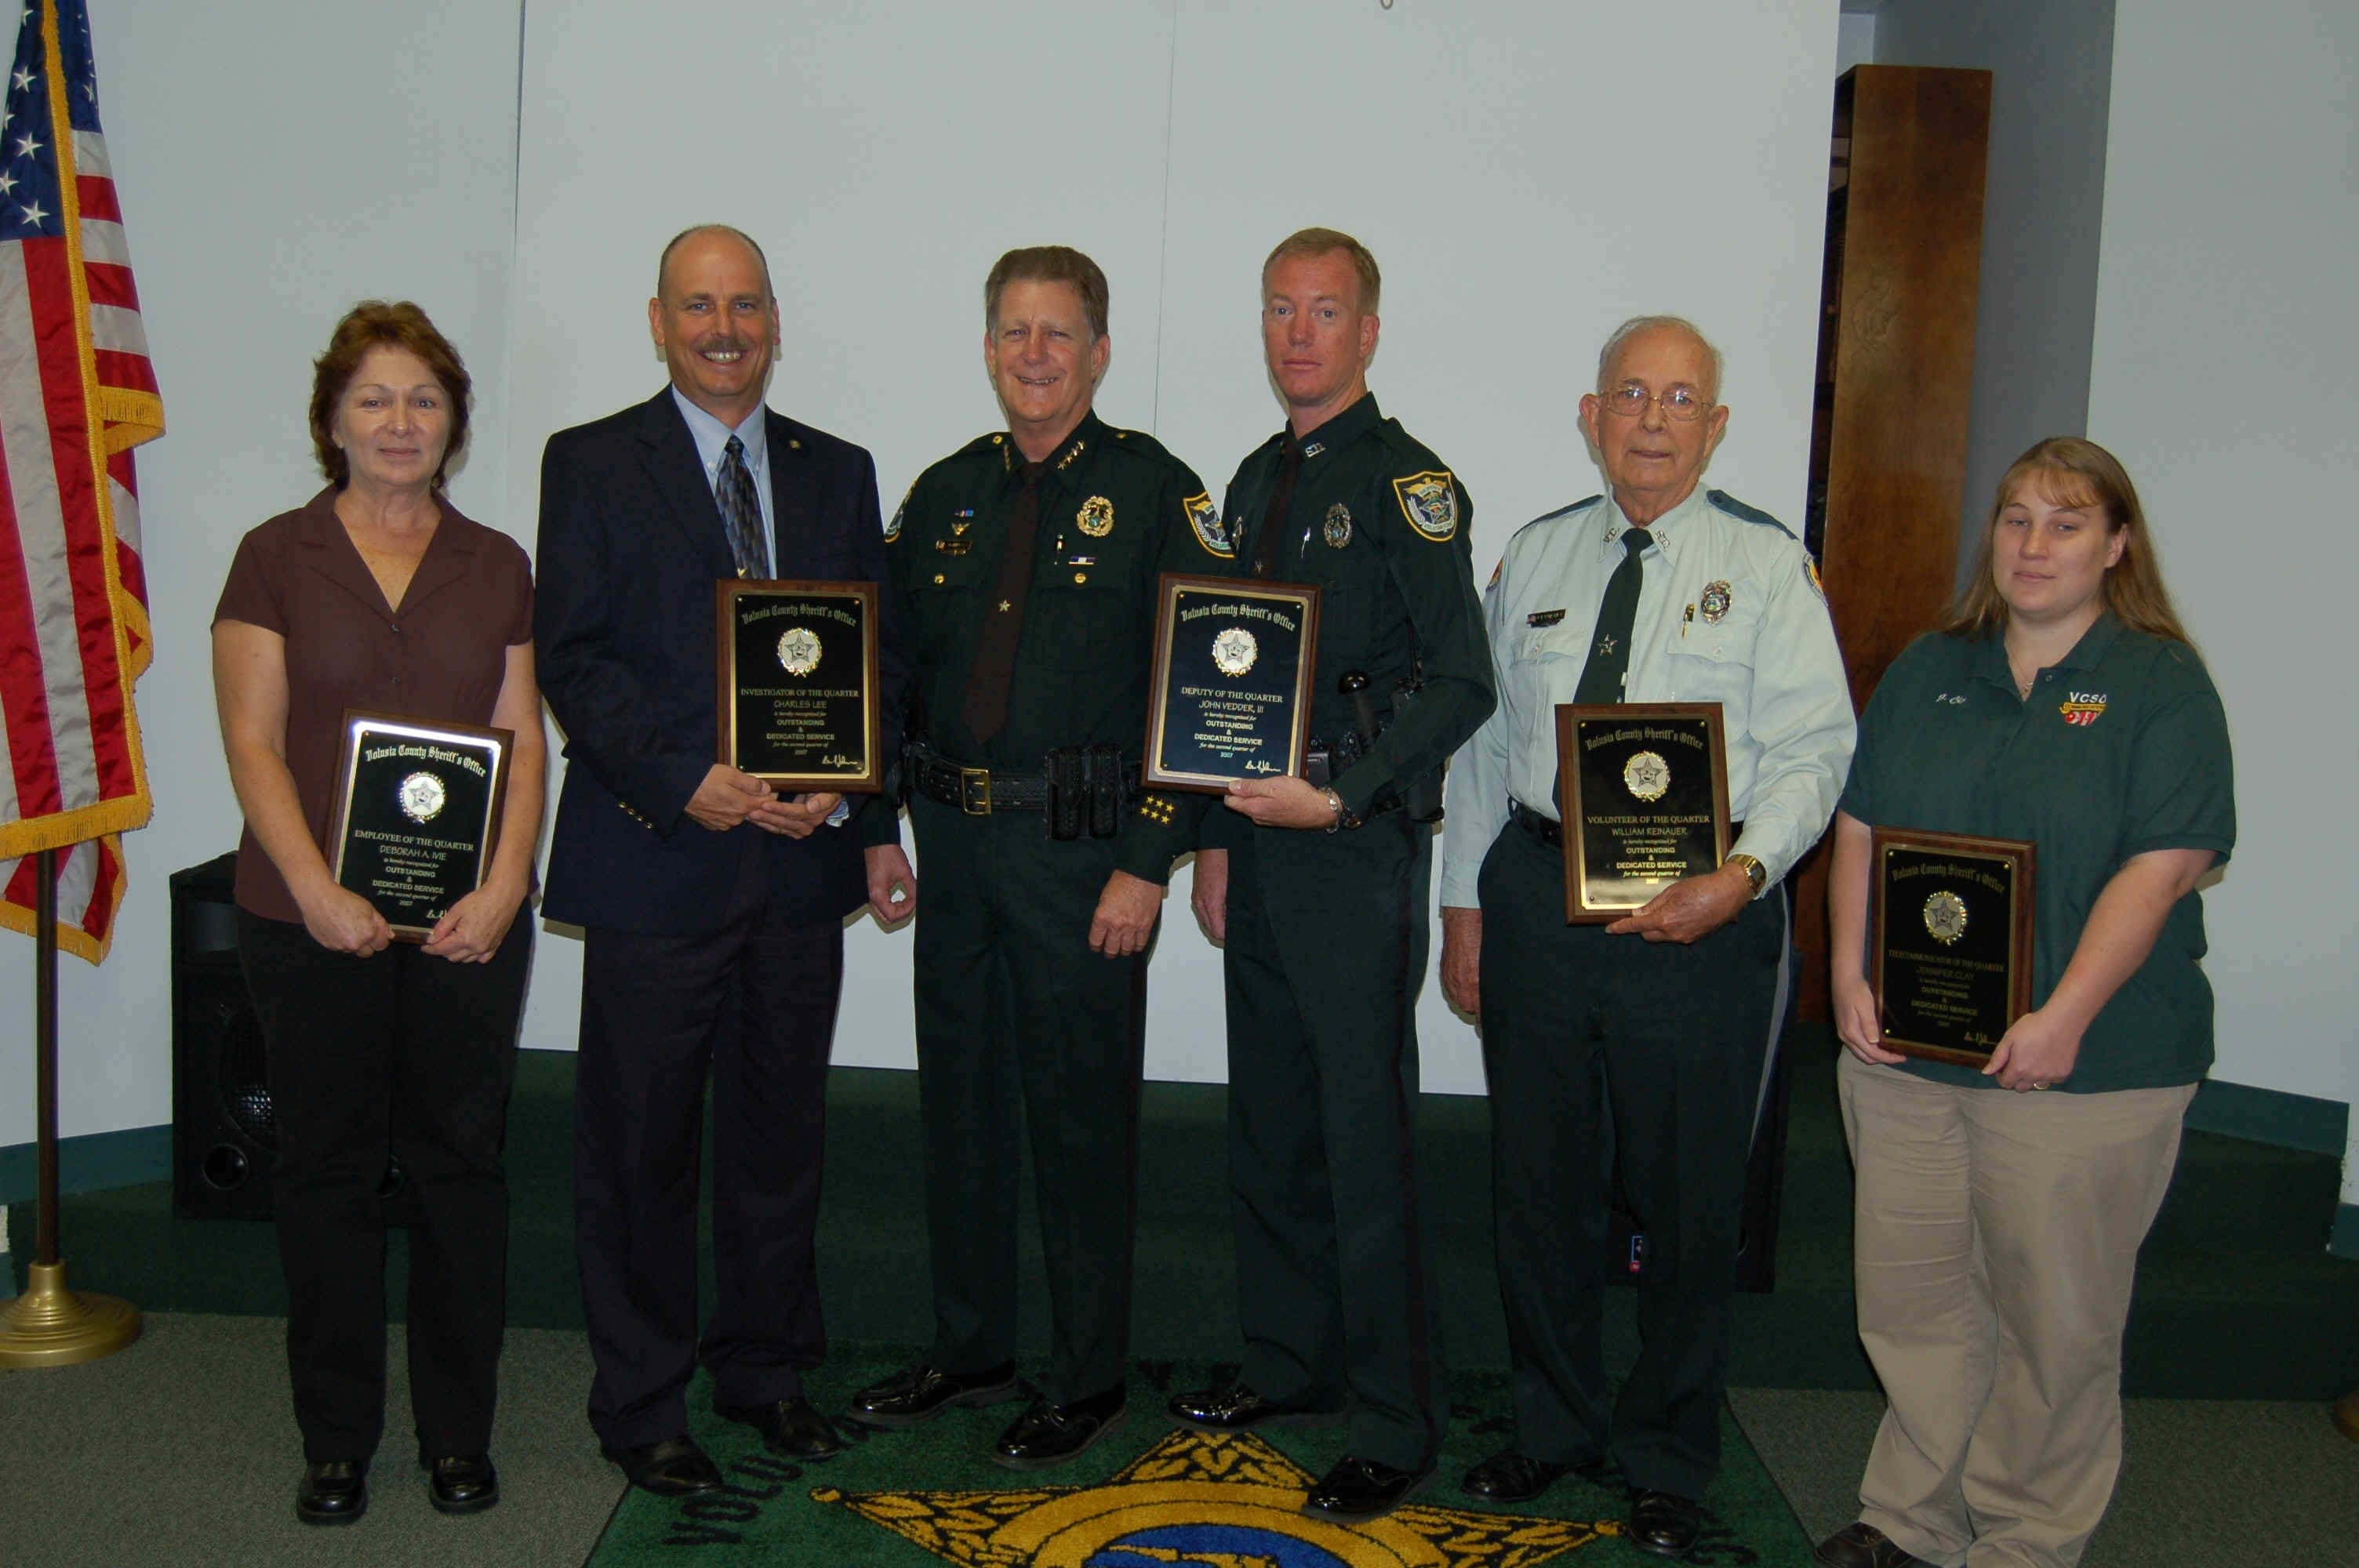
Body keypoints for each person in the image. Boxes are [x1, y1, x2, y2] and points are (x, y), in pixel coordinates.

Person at [1438, 316, 1854, 1555]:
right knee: (1540, 1185)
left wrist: (1744, 872)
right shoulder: (1534, 557)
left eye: (1682, 398)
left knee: (1684, 1197)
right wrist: (1463, 904)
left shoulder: (1769, 567)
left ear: (1717, 427)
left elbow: (1815, 748)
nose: (1654, 418)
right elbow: (1483, 747)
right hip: (1536, 900)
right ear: (1591, 412)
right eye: (1632, 393)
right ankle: (1552, 1425)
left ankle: (1668, 1451)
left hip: (1699, 922)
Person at [534, 225, 908, 1496]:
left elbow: (871, 669)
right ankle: (641, 1401)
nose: (724, 327)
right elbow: (571, 658)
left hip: (797, 875)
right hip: (656, 862)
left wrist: (859, 810)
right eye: (699, 306)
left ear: (776, 319)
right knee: (638, 1147)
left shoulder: (837, 471)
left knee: (777, 1139)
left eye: (744, 304)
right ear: (657, 320)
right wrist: (683, 779)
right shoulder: (589, 463)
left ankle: (765, 1376)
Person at [1814, 437, 2233, 1568]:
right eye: (2015, 518)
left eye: (2066, 522)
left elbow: (2164, 865)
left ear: (2116, 546)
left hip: (2084, 1067)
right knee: (1914, 1309)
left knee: (2054, 1328)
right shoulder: (1929, 666)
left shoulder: (2160, 683)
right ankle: (1912, 1522)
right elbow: (1861, 828)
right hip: (1908, 1063)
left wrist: (2065, 1020)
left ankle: (2025, 1541)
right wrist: (1848, 975)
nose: (2033, 545)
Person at [847, 245, 1220, 1469]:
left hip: (1081, 860)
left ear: (1100, 352)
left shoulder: (1161, 493)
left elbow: (1204, 690)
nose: (1034, 354)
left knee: (1077, 1126)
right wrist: (876, 829)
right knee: (960, 1113)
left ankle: (1086, 1375)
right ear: (990, 347)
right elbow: (887, 672)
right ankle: (973, 1348)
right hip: (953, 849)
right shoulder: (946, 494)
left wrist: (1149, 860)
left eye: (1058, 333)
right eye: (1013, 331)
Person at [1165, 227, 1495, 1523]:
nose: (1299, 333)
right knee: (1275, 1129)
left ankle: (1396, 1417)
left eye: (1326, 312)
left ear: (1368, 332)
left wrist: (1345, 793)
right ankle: (1291, 1368)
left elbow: (1462, 679)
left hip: (1354, 849)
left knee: (1365, 1142)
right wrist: (1211, 838)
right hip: (1257, 840)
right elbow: (1215, 683)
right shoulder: (1251, 482)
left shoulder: (1411, 486)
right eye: (1280, 311)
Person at [213, 301, 543, 1525]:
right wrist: (316, 890)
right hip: (308, 918)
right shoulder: (273, 555)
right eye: (375, 400)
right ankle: (338, 1439)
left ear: (453, 420)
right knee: (329, 1174)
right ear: (332, 421)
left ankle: (460, 1435)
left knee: (463, 1171)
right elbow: (252, 743)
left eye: (424, 400)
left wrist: (507, 885)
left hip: (467, 924)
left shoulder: (498, 561)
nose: (401, 423)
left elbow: (522, 735)